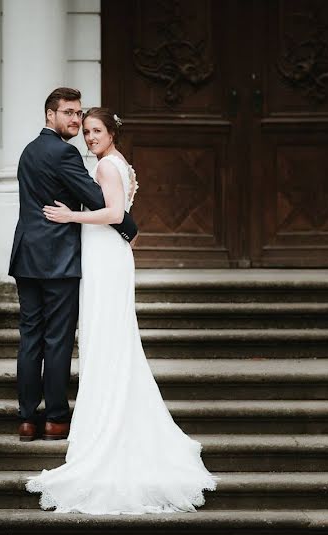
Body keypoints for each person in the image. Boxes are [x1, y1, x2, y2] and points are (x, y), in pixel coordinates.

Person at [25, 107, 217, 514]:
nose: (90, 137)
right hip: (104, 253)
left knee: (106, 335)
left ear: (112, 133)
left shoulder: (108, 167)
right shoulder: (110, 163)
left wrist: (69, 215)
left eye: (97, 131)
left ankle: (106, 424)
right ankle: (104, 414)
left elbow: (116, 214)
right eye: (87, 131)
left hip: (104, 256)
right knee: (103, 336)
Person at [8, 88, 139, 443]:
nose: (76, 121)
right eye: (68, 113)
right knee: (57, 339)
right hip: (59, 260)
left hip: (26, 256)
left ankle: (25, 418)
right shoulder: (64, 153)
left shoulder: (27, 152)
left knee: (30, 336)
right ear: (49, 115)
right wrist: (130, 228)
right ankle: (55, 418)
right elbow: (98, 199)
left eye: (79, 114)